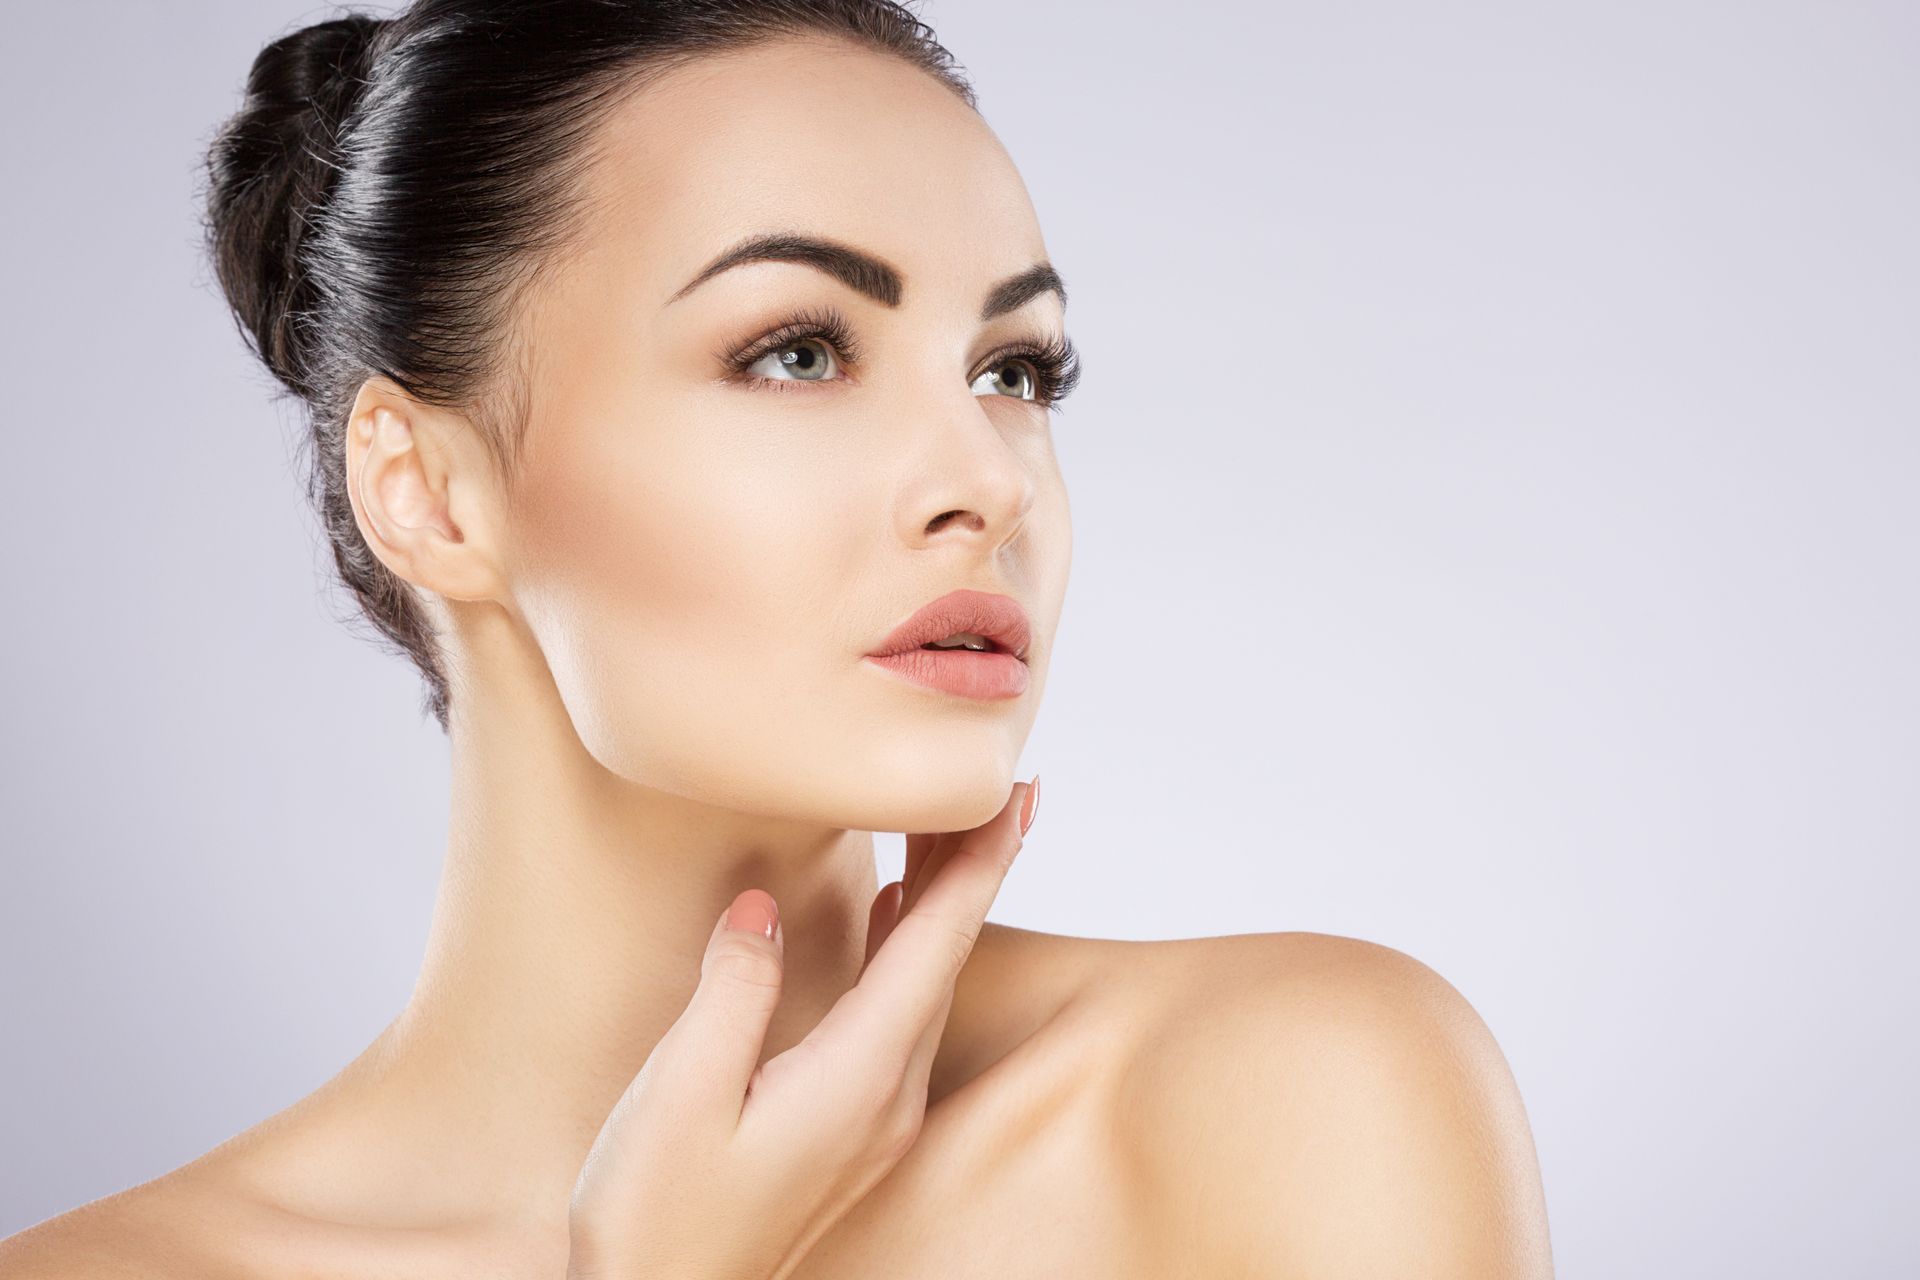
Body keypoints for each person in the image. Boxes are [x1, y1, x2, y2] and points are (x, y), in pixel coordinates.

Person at [0, 1, 1554, 1275]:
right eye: (799, 350)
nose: (984, 480)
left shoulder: (1280, 1101)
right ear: (429, 493)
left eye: (1015, 369)